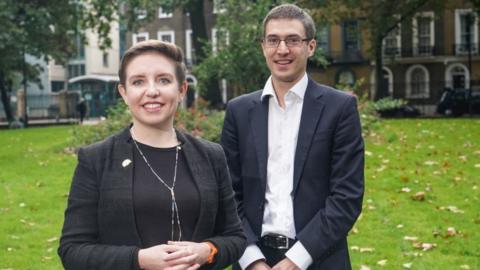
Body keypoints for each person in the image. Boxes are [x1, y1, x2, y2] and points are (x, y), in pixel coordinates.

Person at [58, 40, 246, 270]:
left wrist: (207, 251)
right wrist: (139, 260)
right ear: (124, 93)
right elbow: (73, 251)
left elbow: (235, 237)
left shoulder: (211, 155)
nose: (152, 91)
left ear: (181, 90)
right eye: (138, 82)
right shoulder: (96, 159)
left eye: (164, 80)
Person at [221, 4, 364, 270]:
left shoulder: (340, 109)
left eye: (293, 40)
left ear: (310, 46)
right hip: (253, 259)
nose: (282, 49)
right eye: (273, 40)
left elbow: (346, 197)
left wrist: (294, 261)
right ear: (263, 46)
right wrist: (252, 260)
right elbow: (227, 195)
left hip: (319, 259)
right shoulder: (238, 111)